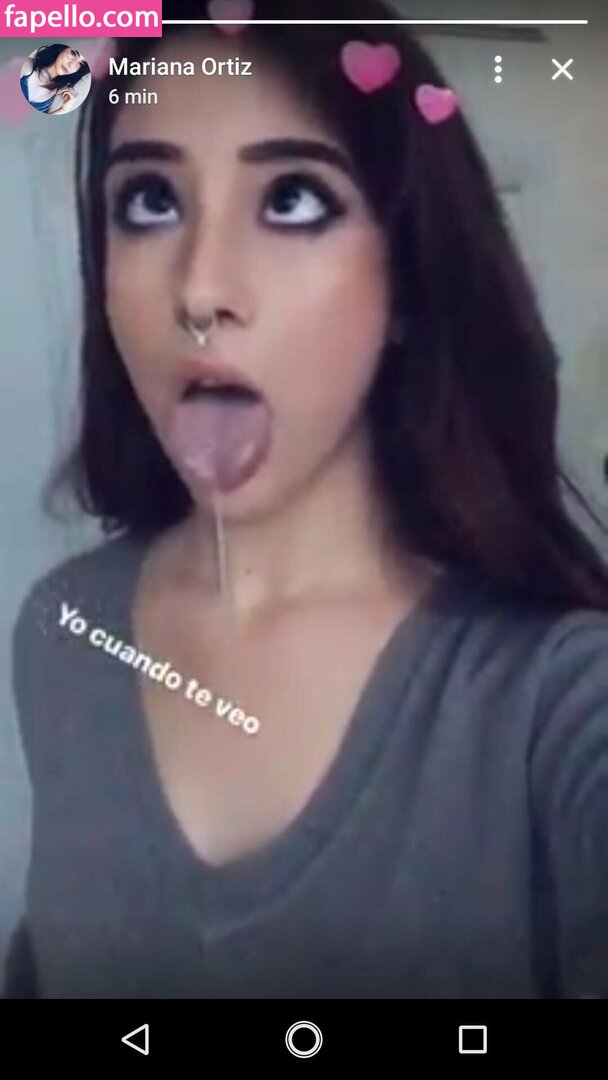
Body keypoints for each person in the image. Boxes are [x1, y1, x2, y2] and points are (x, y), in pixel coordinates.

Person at [5, 0, 608, 1000]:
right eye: (148, 201)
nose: (199, 289)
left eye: (291, 200)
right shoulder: (63, 631)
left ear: (407, 280)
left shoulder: (558, 701)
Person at [20, 44, 90, 115]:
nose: (71, 65)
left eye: (81, 63)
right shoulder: (28, 65)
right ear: (62, 48)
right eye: (73, 53)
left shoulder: (59, 94)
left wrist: (63, 109)